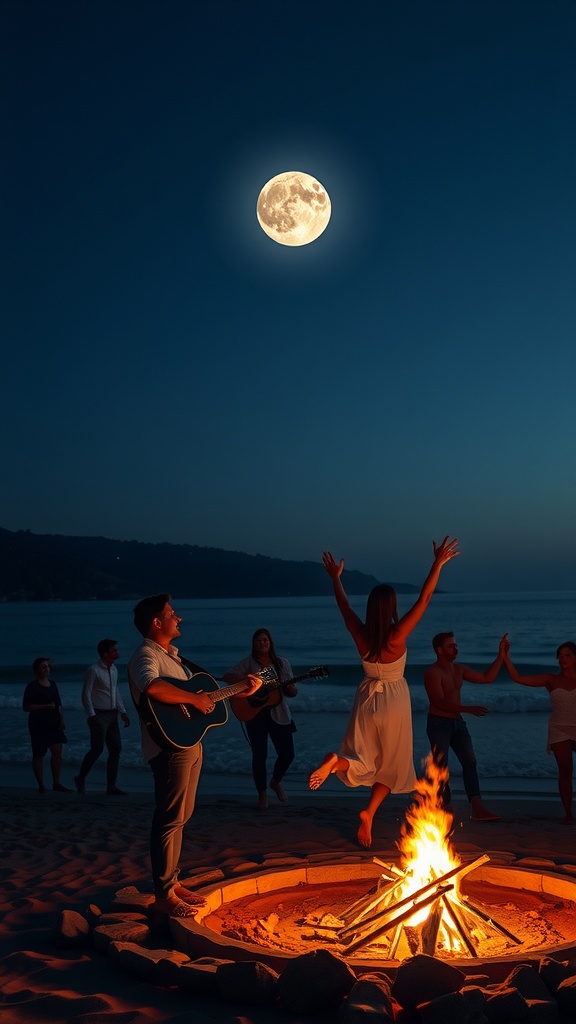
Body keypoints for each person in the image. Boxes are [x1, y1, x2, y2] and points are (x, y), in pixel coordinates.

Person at [309, 536, 460, 848]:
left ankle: (338, 764)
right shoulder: (397, 635)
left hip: (366, 698)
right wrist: (437, 563)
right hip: (393, 699)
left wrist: (336, 579)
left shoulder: (361, 634)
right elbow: (425, 598)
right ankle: (369, 810)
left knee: (361, 757)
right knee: (390, 766)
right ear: (392, 607)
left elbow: (344, 605)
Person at [127, 593, 262, 918]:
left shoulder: (173, 658)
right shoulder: (146, 655)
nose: (179, 618)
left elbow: (198, 700)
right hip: (169, 747)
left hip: (188, 743)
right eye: (172, 613)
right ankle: (164, 895)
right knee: (169, 818)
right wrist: (195, 699)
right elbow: (152, 687)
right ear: (156, 623)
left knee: (181, 818)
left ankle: (171, 883)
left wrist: (238, 690)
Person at [424, 631, 509, 821]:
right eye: (450, 645)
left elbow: (488, 678)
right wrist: (467, 708)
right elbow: (438, 701)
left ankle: (477, 809)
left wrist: (501, 656)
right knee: (440, 766)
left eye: (455, 645)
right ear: (439, 650)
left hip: (457, 723)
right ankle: (442, 809)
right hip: (439, 723)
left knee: (470, 762)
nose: (455, 648)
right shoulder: (432, 672)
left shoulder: (459, 669)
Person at [222, 628, 298, 810]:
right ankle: (262, 795)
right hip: (255, 714)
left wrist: (288, 689)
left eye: (265, 640)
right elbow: (227, 676)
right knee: (260, 755)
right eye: (259, 641)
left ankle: (275, 782)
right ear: (254, 644)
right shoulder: (249, 663)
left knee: (288, 754)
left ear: (270, 642)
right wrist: (249, 679)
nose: (262, 643)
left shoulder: (282, 664)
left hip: (279, 713)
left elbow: (293, 691)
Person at [503, 639, 576, 825]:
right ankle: (568, 814)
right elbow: (517, 678)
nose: (562, 658)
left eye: (567, 655)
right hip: (559, 728)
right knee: (566, 770)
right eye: (560, 656)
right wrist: (505, 657)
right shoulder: (551, 679)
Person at [75, 639, 130, 796]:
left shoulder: (114, 669)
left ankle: (111, 785)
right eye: (114, 651)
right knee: (97, 749)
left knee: (116, 748)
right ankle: (80, 778)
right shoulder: (93, 670)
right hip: (98, 714)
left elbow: (115, 692)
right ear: (105, 654)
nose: (117, 653)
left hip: (112, 714)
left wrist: (123, 711)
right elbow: (86, 694)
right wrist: (91, 715)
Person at [23, 657, 70, 793]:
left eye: (48, 666)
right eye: (43, 667)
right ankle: (41, 785)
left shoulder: (53, 684)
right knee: (39, 754)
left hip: (54, 722)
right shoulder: (32, 686)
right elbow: (26, 707)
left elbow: (58, 704)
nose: (47, 669)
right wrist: (45, 706)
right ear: (37, 669)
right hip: (38, 724)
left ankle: (56, 782)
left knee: (57, 752)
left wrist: (61, 720)